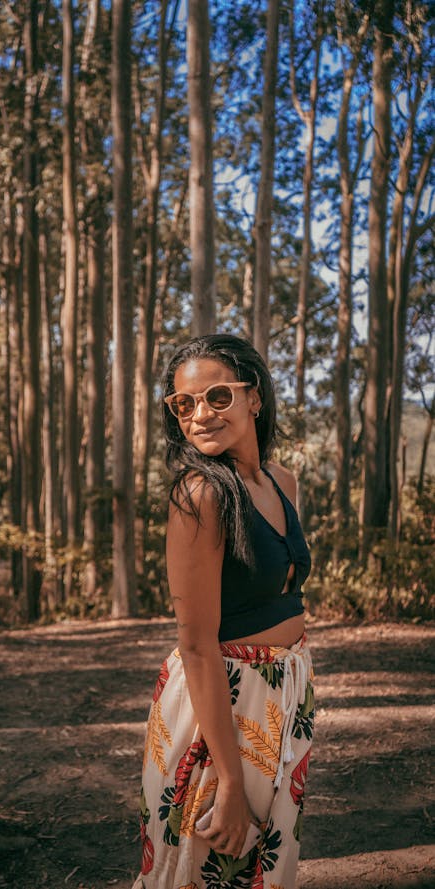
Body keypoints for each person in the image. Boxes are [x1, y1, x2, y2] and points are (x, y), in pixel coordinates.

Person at [132, 334, 314, 889]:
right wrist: (230, 782)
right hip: (220, 708)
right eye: (183, 404)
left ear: (254, 397)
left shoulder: (282, 482)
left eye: (217, 396)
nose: (200, 415)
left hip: (285, 698)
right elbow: (195, 644)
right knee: (206, 868)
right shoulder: (200, 494)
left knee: (267, 864)